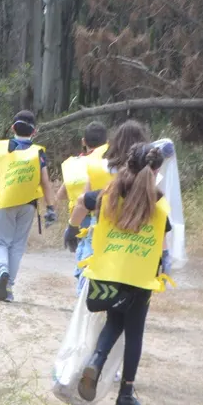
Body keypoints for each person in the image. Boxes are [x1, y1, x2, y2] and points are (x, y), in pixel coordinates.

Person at [69, 142, 173, 405]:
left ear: (128, 164)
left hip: (109, 271)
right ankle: (125, 393)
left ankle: (97, 360)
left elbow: (82, 201)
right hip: (140, 276)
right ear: (155, 170)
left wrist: (72, 227)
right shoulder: (158, 201)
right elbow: (163, 237)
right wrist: (166, 263)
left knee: (115, 321)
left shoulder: (109, 194)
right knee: (134, 332)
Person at [0, 110, 57, 302]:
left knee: (0, 242)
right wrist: (51, 208)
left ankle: (2, 269)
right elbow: (45, 182)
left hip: (6, 202)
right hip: (29, 205)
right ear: (34, 132)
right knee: (17, 246)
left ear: (13, 128)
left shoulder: (2, 148)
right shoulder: (38, 152)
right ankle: (9, 287)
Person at [64, 120, 151, 291]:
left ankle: (87, 295)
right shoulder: (148, 174)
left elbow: (83, 201)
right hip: (136, 234)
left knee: (89, 272)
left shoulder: (97, 168)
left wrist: (72, 228)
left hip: (101, 229)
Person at [56, 121, 111, 291]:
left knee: (84, 254)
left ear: (83, 141)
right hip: (103, 215)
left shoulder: (76, 163)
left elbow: (61, 195)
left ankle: (83, 289)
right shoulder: (109, 162)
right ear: (106, 142)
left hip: (79, 218)